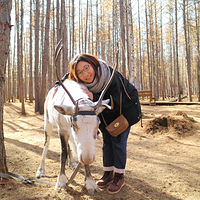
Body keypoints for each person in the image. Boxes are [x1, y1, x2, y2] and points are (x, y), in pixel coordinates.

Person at [56, 53, 141, 194]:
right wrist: (59, 85)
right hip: (104, 117)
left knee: (118, 144)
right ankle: (108, 174)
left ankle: (119, 176)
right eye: (80, 73)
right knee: (107, 144)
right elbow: (68, 77)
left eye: (86, 68)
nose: (85, 74)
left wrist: (95, 97)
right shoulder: (84, 82)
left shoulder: (111, 76)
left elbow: (126, 97)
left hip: (123, 114)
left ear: (93, 64)